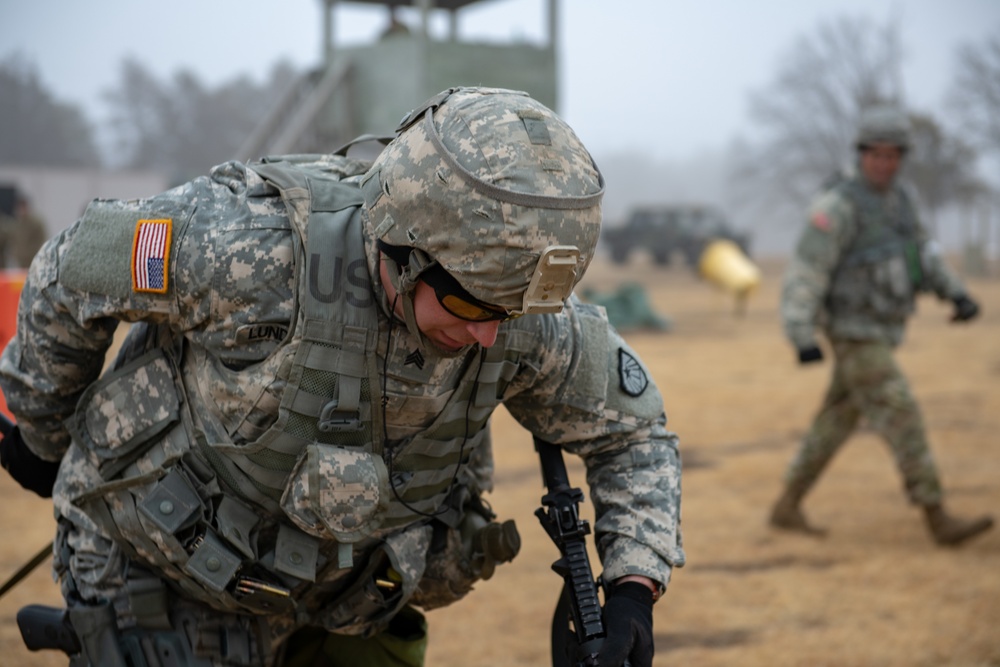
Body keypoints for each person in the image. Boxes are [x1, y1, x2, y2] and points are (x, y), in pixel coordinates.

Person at [0, 86, 684, 667]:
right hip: (163, 580)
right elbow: (71, 268)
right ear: (402, 248)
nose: (490, 334)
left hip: (350, 600)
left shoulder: (513, 309)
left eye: (513, 311)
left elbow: (632, 433)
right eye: (471, 305)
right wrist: (42, 426)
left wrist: (631, 586)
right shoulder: (248, 250)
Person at [771, 104, 993, 547]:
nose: (884, 163)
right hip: (854, 333)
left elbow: (923, 254)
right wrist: (801, 333)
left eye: (893, 155)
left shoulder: (900, 203)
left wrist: (957, 293)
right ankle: (936, 515)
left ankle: (786, 505)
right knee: (900, 410)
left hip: (883, 330)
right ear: (861, 154)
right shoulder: (838, 206)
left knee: (836, 419)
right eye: (876, 154)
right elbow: (806, 272)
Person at [0, 191, 48, 268]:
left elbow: (42, 240)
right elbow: (12, 239)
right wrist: (15, 253)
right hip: (20, 262)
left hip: (33, 260)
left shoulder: (36, 223)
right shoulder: (17, 223)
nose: (21, 211)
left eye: (23, 207)